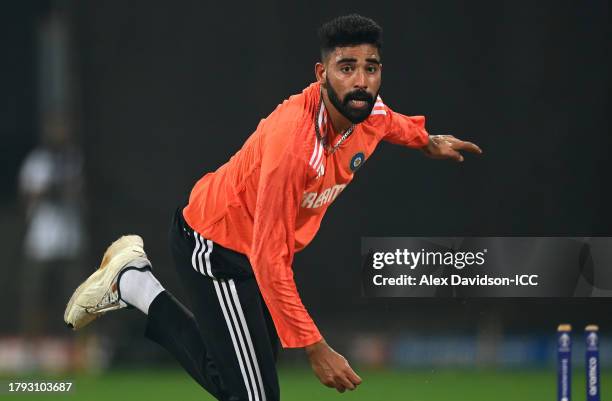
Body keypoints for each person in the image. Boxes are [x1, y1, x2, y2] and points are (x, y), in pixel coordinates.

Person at [64, 14, 481, 401]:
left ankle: (134, 282)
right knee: (255, 396)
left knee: (241, 381)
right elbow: (269, 259)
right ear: (322, 75)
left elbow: (392, 121)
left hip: (252, 251)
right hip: (216, 245)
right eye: (346, 67)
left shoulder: (367, 113)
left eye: (370, 68)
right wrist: (316, 349)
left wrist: (429, 142)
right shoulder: (294, 145)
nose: (360, 81)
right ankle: (135, 284)